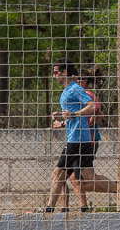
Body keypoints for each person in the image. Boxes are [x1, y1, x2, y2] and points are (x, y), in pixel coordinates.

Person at [37, 62, 94, 213]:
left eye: (56, 72)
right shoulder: (65, 91)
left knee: (57, 173)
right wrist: (61, 122)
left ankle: (49, 209)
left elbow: (92, 106)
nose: (54, 75)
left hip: (77, 139)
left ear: (64, 72)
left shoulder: (75, 88)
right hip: (77, 137)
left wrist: (74, 114)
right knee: (88, 178)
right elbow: (71, 117)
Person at [69, 66, 118, 204]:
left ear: (82, 81)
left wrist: (88, 123)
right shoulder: (76, 95)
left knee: (86, 178)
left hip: (88, 140)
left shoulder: (88, 94)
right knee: (74, 178)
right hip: (77, 140)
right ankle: (83, 208)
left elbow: (99, 113)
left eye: (74, 80)